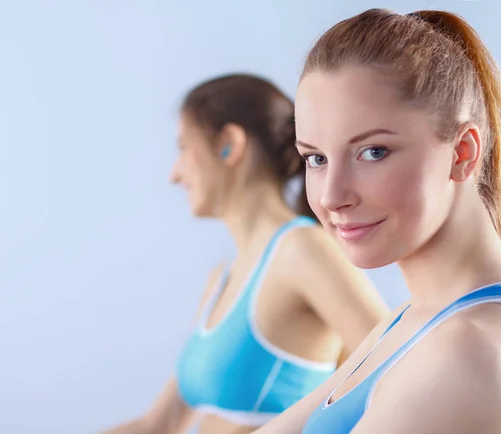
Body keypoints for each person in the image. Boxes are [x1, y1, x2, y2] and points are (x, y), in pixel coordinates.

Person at [253, 8, 501, 434]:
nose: (331, 197)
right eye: (315, 158)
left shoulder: (470, 353)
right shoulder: (413, 320)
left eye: (372, 152)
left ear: (462, 153)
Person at [103, 73, 389, 434]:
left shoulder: (302, 251)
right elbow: (158, 425)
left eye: (184, 149)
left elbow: (397, 370)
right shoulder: (221, 279)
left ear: (228, 144)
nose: (175, 175)